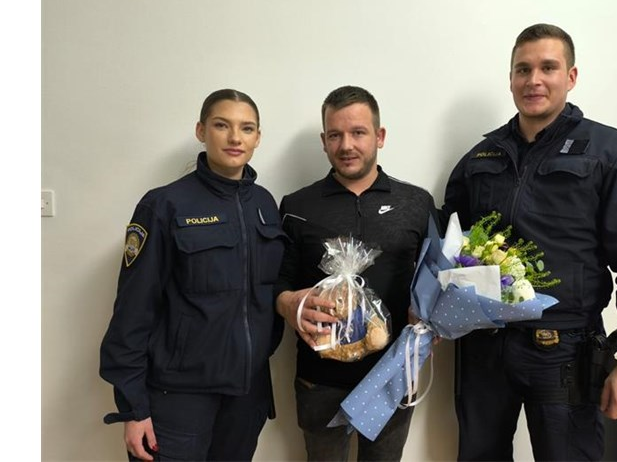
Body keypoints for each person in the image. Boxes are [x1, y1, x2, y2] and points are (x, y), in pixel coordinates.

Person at [441, 24, 617, 461]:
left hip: (563, 350)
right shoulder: (482, 156)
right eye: (522, 69)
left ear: (571, 76)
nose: (534, 80)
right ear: (511, 78)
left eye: (548, 67)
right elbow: (449, 242)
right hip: (484, 348)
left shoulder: (609, 152)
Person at [99, 88, 287, 461]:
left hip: (245, 397)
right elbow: (133, 309)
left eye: (247, 128)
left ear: (258, 138)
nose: (235, 138)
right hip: (178, 398)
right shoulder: (164, 204)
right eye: (222, 125)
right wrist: (133, 407)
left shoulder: (265, 205)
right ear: (201, 131)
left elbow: (268, 295)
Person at [274, 85, 435, 462]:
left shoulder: (416, 203)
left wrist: (431, 316)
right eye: (335, 135)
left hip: (393, 375)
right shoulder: (296, 205)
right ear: (323, 141)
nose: (346, 145)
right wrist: (288, 303)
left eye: (358, 132)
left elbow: (436, 276)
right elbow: (277, 282)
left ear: (380, 136)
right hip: (319, 380)